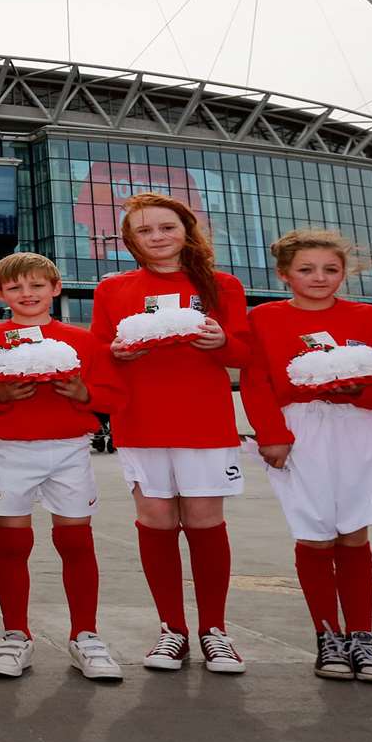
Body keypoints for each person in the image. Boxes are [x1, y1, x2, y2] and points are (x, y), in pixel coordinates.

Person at [90, 192, 251, 674]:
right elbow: (99, 350)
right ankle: (172, 631)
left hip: (204, 421)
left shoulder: (221, 284)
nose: (157, 237)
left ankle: (215, 631)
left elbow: (243, 351)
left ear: (187, 229)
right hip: (141, 420)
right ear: (129, 240)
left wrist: (222, 341)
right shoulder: (113, 288)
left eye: (167, 227)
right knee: (157, 522)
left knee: (204, 522)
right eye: (144, 230)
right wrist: (117, 354)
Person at [241, 230, 372, 683]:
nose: (320, 278)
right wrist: (272, 434)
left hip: (356, 427)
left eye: (331, 269)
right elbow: (256, 383)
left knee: (354, 533)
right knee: (315, 535)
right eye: (307, 269)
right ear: (284, 274)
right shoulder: (266, 318)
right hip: (299, 430)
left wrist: (362, 391)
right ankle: (327, 636)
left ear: (344, 273)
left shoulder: (368, 317)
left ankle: (362, 638)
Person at [0, 252, 124, 683]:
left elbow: (111, 397)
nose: (26, 294)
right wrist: (3, 398)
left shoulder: (81, 340)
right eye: (15, 288)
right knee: (12, 543)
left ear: (55, 289)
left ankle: (85, 635)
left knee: (75, 541)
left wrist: (81, 391)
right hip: (10, 450)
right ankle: (16, 634)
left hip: (69, 449)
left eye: (36, 286)